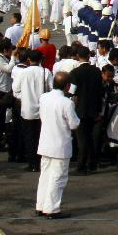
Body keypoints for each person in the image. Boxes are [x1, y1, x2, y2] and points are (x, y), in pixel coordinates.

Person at [36, 71, 80, 219]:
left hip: (45, 143)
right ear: (67, 86)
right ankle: (52, 209)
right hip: (60, 145)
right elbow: (74, 124)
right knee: (58, 178)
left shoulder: (44, 97)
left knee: (45, 176)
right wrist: (74, 105)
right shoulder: (67, 103)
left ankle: (41, 205)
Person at [13, 49, 53, 172]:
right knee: (41, 136)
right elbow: (51, 89)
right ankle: (41, 161)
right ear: (41, 59)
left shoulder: (24, 73)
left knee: (29, 137)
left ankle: (32, 163)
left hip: (27, 109)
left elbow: (15, 89)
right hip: (43, 109)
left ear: (29, 60)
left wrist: (24, 97)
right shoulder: (46, 72)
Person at [70, 47, 104, 175]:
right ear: (89, 56)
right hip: (94, 108)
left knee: (82, 139)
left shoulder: (75, 72)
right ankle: (92, 163)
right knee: (90, 137)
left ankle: (82, 165)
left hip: (80, 109)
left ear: (78, 56)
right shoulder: (96, 71)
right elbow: (100, 91)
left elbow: (72, 92)